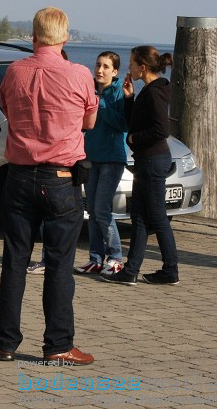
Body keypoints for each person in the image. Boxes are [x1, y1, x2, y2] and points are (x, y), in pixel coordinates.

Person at [0, 7, 98, 366]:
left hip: (18, 177)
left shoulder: (14, 71)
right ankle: (58, 345)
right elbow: (90, 120)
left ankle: (4, 342)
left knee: (15, 261)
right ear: (65, 39)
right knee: (60, 264)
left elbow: (5, 107)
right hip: (61, 179)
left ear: (32, 36)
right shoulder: (80, 74)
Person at [102, 46, 180, 286]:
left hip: (153, 160)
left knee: (156, 217)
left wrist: (135, 139)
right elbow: (133, 120)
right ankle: (131, 270)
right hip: (149, 160)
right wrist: (129, 98)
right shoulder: (148, 90)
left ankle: (170, 270)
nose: (129, 68)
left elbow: (161, 129)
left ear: (143, 68)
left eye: (132, 64)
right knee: (140, 217)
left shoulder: (155, 92)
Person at [76, 51, 127, 276]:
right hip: (93, 159)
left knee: (102, 210)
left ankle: (115, 258)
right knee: (93, 212)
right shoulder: (92, 90)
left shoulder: (118, 93)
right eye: (98, 65)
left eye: (106, 67)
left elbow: (121, 124)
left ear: (115, 71)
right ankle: (95, 259)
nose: (100, 70)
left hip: (112, 160)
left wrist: (100, 104)